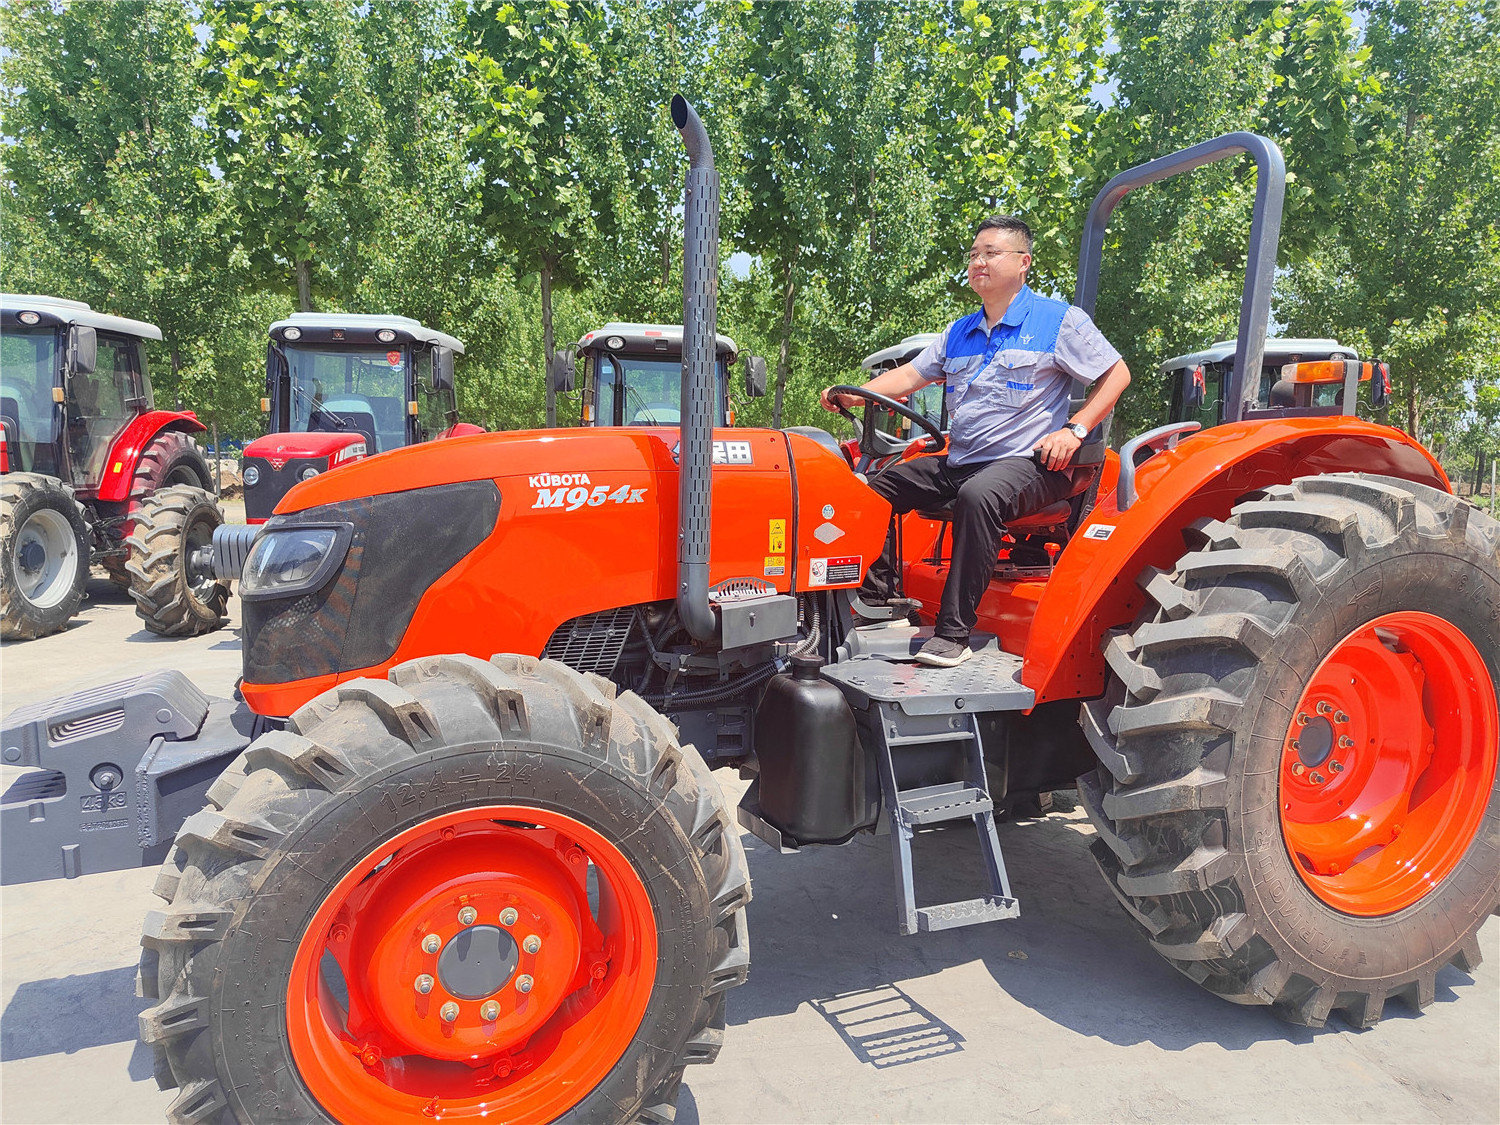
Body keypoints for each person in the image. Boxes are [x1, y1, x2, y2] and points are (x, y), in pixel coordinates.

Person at [822, 214, 1130, 667]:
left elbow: (1116, 373)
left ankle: (953, 635)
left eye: (990, 253)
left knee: (979, 496)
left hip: (1031, 464)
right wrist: (854, 390)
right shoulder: (959, 331)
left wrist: (1075, 428)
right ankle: (878, 599)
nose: (978, 262)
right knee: (871, 487)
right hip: (964, 460)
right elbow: (910, 376)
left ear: (1023, 262)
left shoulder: (1059, 321)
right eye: (973, 255)